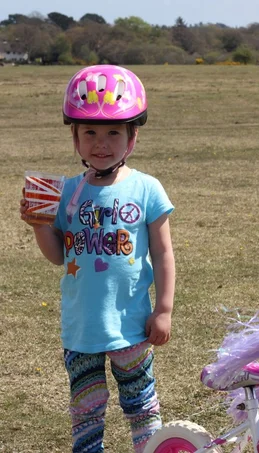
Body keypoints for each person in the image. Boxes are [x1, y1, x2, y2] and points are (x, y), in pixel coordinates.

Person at [19, 65, 175, 453]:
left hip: (133, 327)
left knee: (141, 406)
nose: (100, 143)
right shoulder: (67, 192)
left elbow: (163, 252)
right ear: (74, 137)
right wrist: (39, 225)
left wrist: (164, 309)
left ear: (132, 137)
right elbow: (58, 257)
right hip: (81, 328)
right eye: (89, 132)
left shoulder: (146, 189)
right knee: (86, 412)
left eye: (113, 132)